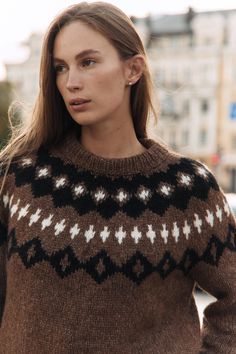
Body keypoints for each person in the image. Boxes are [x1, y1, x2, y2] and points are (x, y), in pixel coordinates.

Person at [0, 2, 235, 353]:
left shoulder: (187, 190)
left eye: (88, 62)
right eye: (60, 68)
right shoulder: (19, 178)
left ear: (133, 69)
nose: (71, 82)